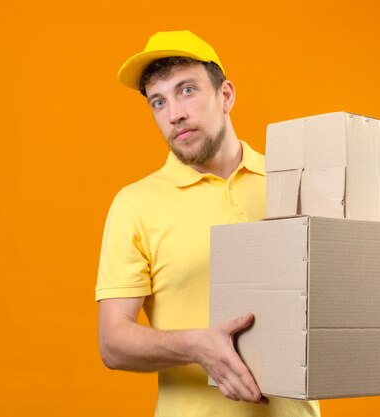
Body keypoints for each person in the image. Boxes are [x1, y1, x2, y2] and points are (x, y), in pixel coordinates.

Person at [96, 30, 320, 417]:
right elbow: (112, 342)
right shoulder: (135, 205)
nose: (174, 114)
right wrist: (196, 346)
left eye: (187, 90)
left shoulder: (292, 181)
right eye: (158, 102)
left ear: (226, 95)